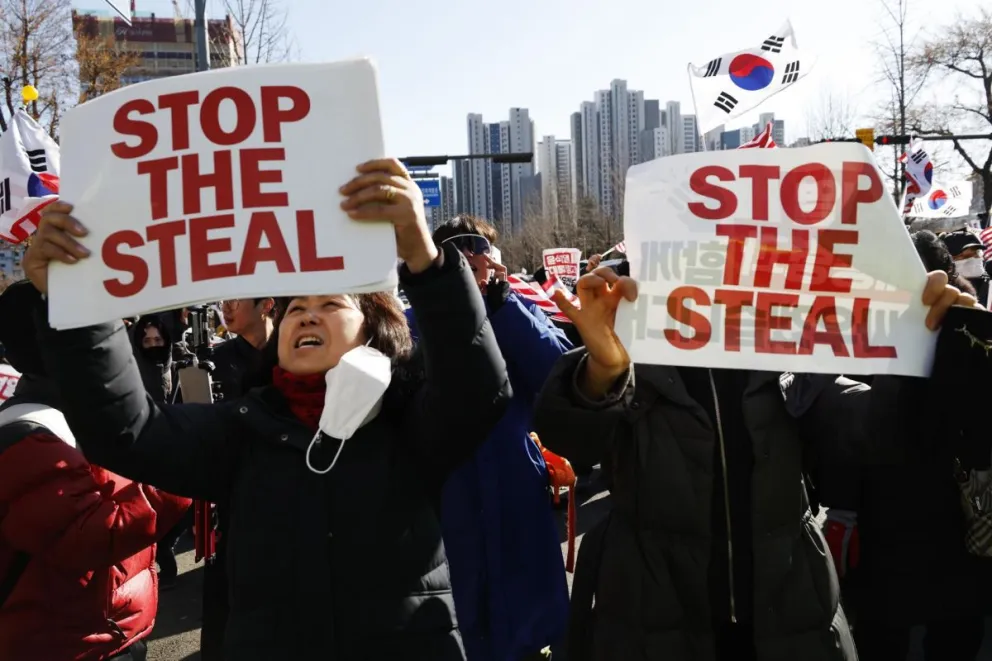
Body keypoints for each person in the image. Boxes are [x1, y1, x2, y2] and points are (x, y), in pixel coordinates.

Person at [22, 158, 511, 660]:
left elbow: (480, 389)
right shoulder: (241, 430)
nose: (307, 314)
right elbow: (125, 430)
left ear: (375, 333)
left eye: (331, 304)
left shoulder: (407, 422)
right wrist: (75, 304)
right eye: (295, 308)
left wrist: (426, 262)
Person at [534, 262, 983, 661]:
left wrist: (933, 353)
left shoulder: (790, 350)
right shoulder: (626, 350)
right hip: (651, 609)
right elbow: (567, 438)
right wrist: (602, 371)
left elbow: (877, 433)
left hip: (790, 609)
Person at [0, 280, 191, 661]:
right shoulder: (26, 436)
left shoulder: (84, 412)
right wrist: (181, 464)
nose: (120, 339)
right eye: (101, 328)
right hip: (67, 646)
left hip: (106, 634)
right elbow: (95, 536)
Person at [422, 216, 572, 660]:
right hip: (446, 491)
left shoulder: (516, 309)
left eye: (481, 249)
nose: (473, 259)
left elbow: (559, 374)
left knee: (525, 621)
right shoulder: (413, 322)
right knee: (457, 617)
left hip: (514, 481)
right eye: (458, 249)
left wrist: (505, 308)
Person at [131, 314, 175, 404]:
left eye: (157, 340)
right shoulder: (130, 377)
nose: (153, 345)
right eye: (147, 341)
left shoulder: (174, 371)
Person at [940, 230, 989, 306]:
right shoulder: (944, 292)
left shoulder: (989, 285)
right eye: (965, 256)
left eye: (976, 253)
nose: (973, 258)